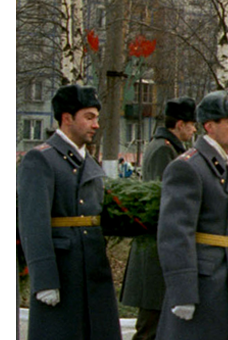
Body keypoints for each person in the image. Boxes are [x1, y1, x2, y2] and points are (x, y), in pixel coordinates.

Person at [17, 84, 121, 340]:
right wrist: (44, 279)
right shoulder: (41, 159)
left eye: (96, 117)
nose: (96, 125)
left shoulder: (86, 160)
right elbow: (33, 222)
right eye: (89, 117)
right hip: (63, 270)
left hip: (92, 266)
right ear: (66, 118)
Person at [155, 90, 228, 340]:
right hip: (202, 285)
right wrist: (182, 293)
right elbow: (175, 232)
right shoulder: (188, 167)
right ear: (209, 126)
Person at [120, 97, 197, 340]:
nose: (194, 129)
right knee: (149, 328)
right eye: (192, 124)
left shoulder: (168, 146)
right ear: (180, 124)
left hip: (159, 249)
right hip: (154, 251)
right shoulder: (164, 149)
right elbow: (163, 199)